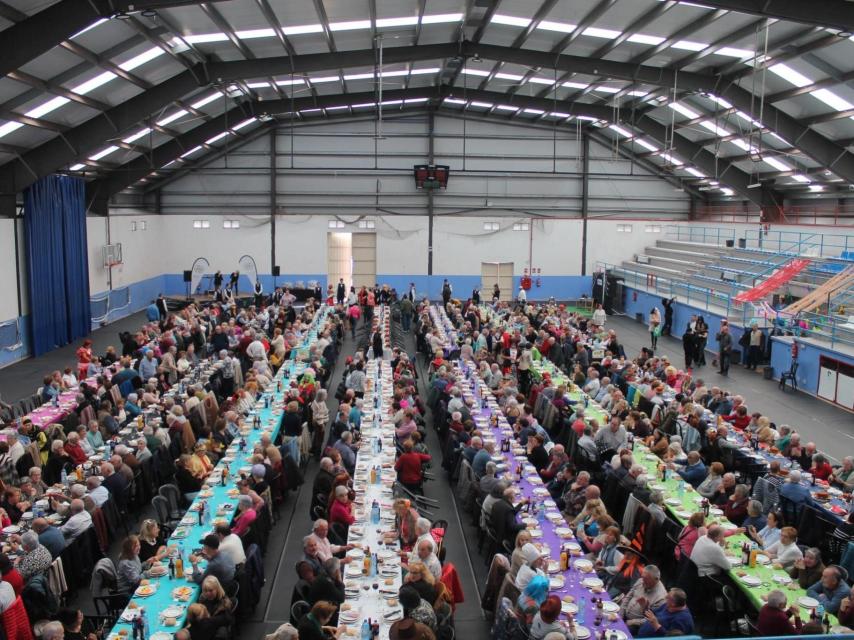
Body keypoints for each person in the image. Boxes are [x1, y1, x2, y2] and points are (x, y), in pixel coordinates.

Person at [619, 565, 668, 632]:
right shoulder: (641, 581)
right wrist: (621, 614)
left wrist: (630, 622)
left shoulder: (661, 598)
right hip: (623, 614)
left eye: (646, 579)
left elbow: (650, 620)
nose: (643, 581)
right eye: (643, 578)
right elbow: (628, 597)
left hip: (634, 625)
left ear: (656, 579)